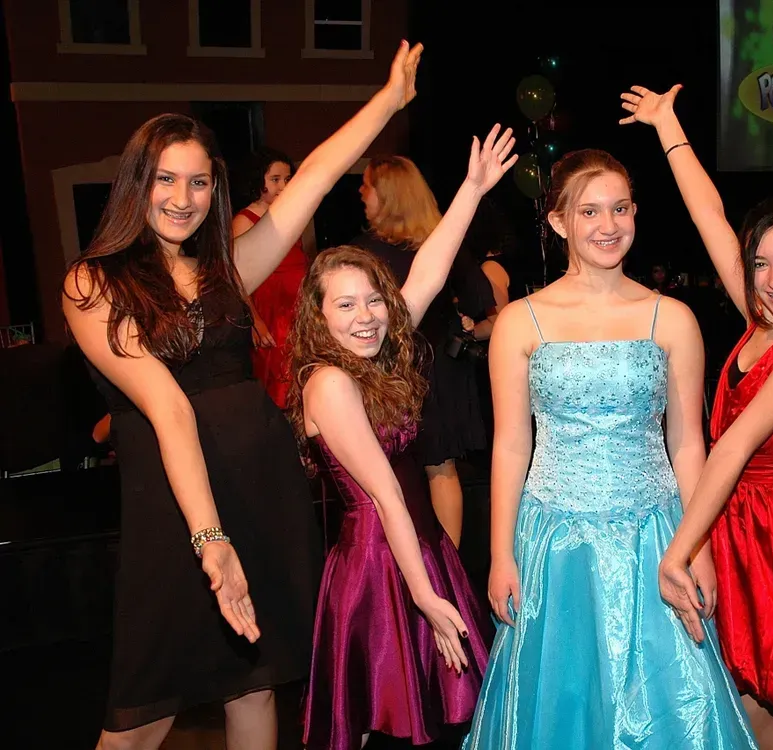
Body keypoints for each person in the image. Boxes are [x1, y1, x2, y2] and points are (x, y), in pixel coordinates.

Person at [61, 40, 423, 750]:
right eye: (166, 180)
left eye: (198, 184)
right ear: (137, 182)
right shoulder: (93, 283)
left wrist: (389, 99)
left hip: (263, 488)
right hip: (176, 506)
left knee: (256, 682)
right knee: (143, 708)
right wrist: (209, 539)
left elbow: (315, 178)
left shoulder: (229, 271)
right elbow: (167, 408)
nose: (181, 199)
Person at [461, 148, 757, 749]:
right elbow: (511, 447)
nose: (607, 224)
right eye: (589, 210)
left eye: (619, 208)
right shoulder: (521, 321)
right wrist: (500, 553)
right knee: (563, 709)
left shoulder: (671, 318)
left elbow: (687, 442)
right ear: (559, 222)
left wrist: (697, 547)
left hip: (656, 539)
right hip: (554, 545)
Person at [620, 84, 773, 750]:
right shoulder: (762, 318)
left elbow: (734, 444)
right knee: (752, 707)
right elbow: (708, 216)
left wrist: (679, 551)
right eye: (761, 264)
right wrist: (669, 126)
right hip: (732, 523)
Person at [291, 124, 514, 748]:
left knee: (417, 715)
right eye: (345, 306)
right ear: (319, 316)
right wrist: (423, 595)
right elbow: (387, 494)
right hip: (377, 567)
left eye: (373, 302)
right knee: (370, 715)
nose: (365, 317)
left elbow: (431, 274)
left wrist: (469, 190)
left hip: (419, 544)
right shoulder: (330, 382)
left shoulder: (377, 357)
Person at [351, 155, 496, 548]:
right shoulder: (440, 245)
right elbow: (485, 302)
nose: (361, 192)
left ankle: (404, 566)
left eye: (367, 185)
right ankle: (446, 569)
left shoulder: (361, 258)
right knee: (440, 469)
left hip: (397, 375)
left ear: (389, 194)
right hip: (436, 371)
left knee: (395, 471)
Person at [232, 147, 314, 408]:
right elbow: (236, 278)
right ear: (258, 180)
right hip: (271, 309)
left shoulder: (292, 213)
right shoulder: (244, 220)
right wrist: (255, 321)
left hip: (298, 305)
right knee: (278, 387)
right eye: (275, 179)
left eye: (287, 179)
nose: (283, 185)